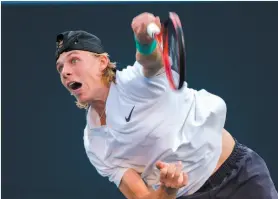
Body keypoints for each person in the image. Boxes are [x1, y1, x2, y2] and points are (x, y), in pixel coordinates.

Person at [55, 12, 278, 199]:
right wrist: (168, 189)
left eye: (74, 60)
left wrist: (144, 41)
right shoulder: (94, 142)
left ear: (102, 62)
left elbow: (150, 61)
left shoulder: (137, 82)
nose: (65, 72)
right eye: (60, 67)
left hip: (240, 177)